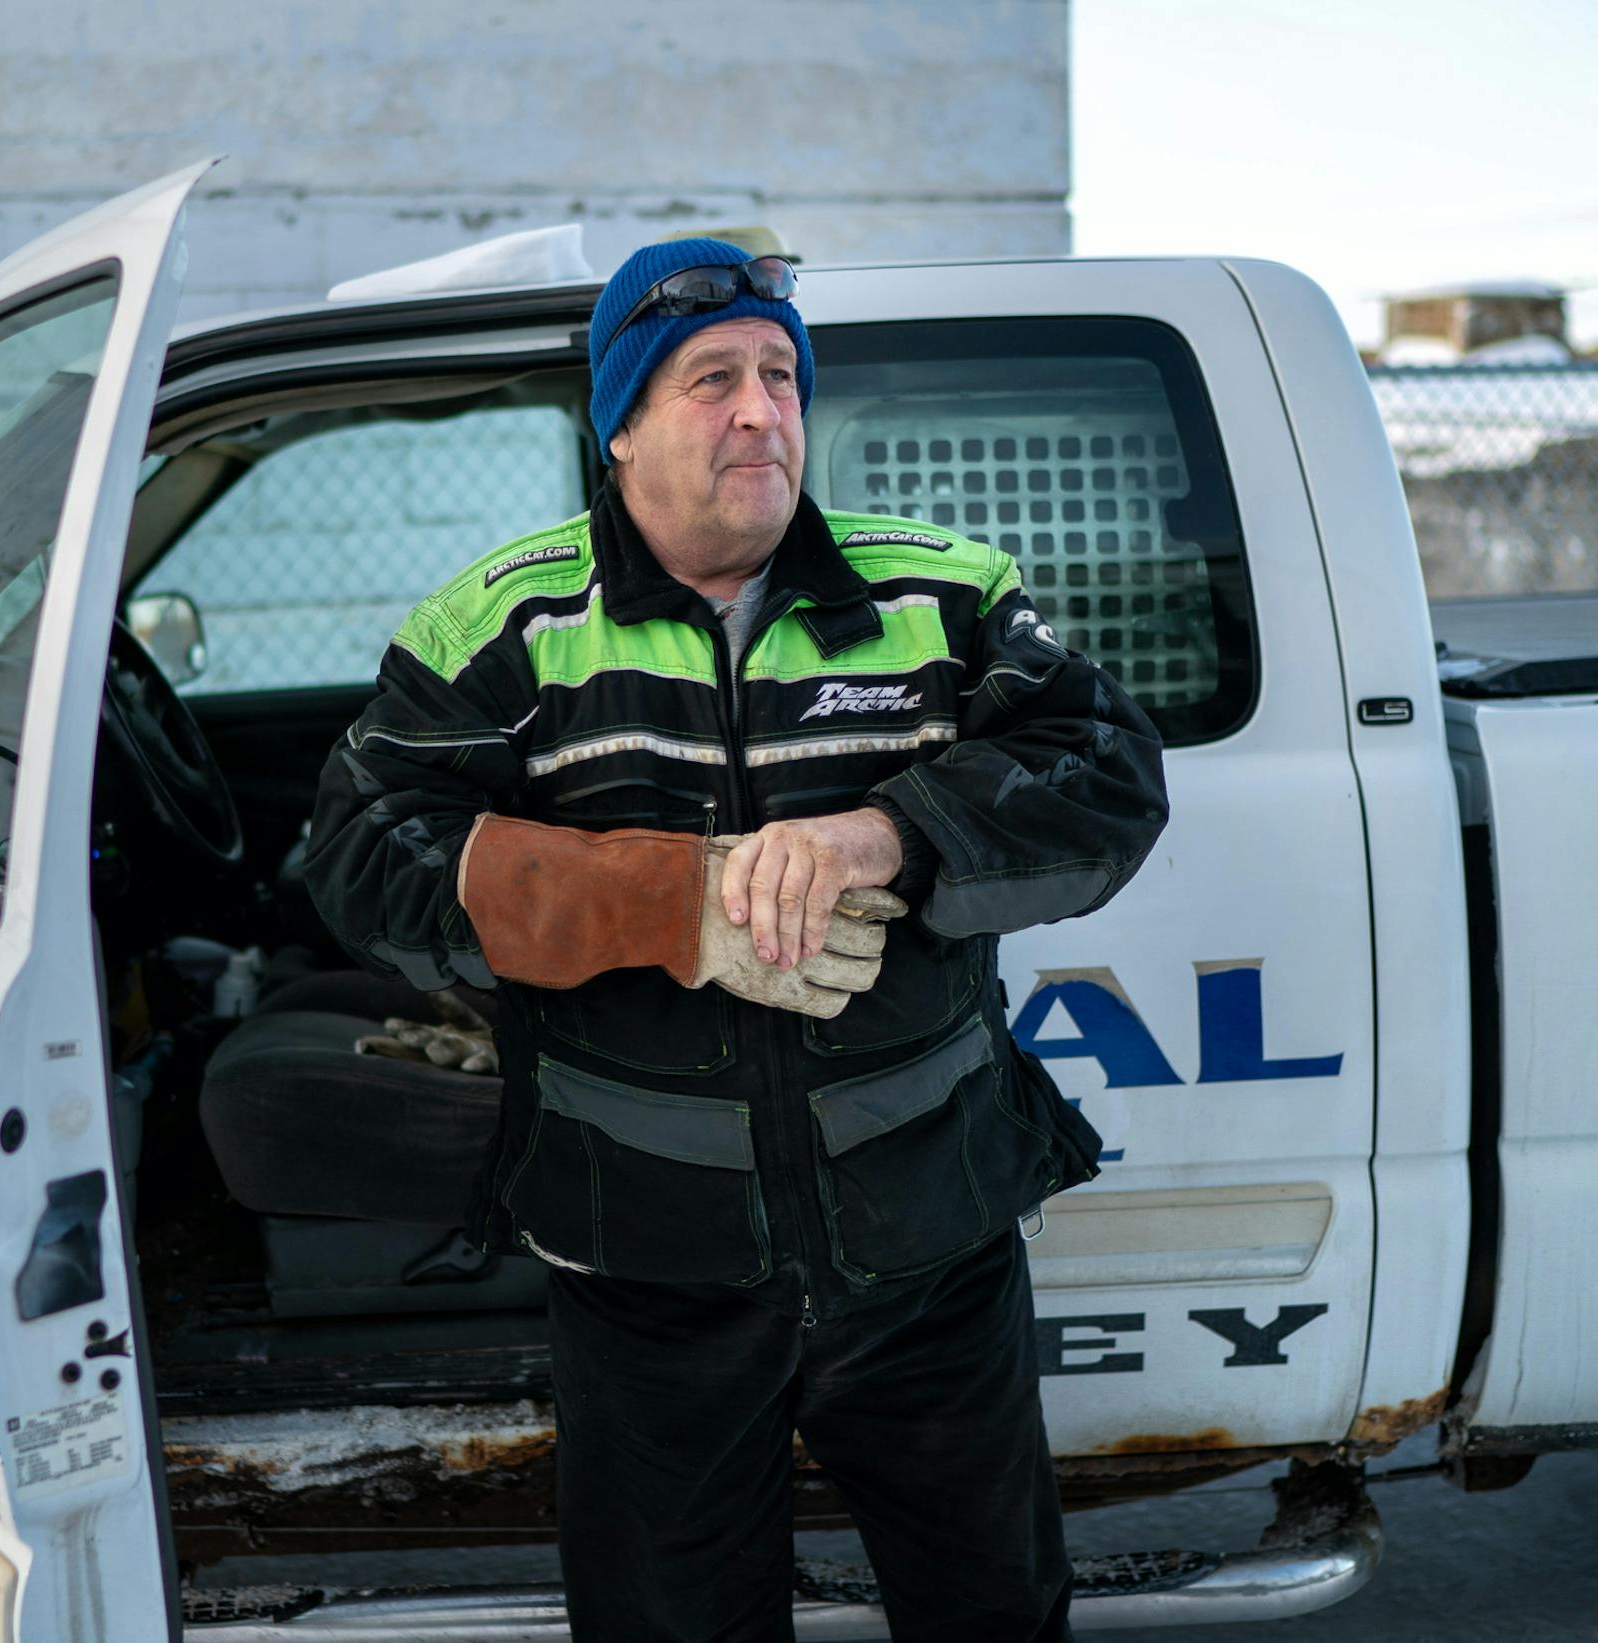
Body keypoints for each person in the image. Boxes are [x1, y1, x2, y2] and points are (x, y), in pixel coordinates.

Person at [304, 236, 1169, 1642]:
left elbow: (1113, 778)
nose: (761, 410)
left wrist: (886, 833)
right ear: (622, 423)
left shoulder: (941, 597)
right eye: (711, 380)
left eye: (780, 374)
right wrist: (670, 905)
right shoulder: (506, 627)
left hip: (930, 1250)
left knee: (996, 1616)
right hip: (645, 1273)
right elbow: (356, 850)